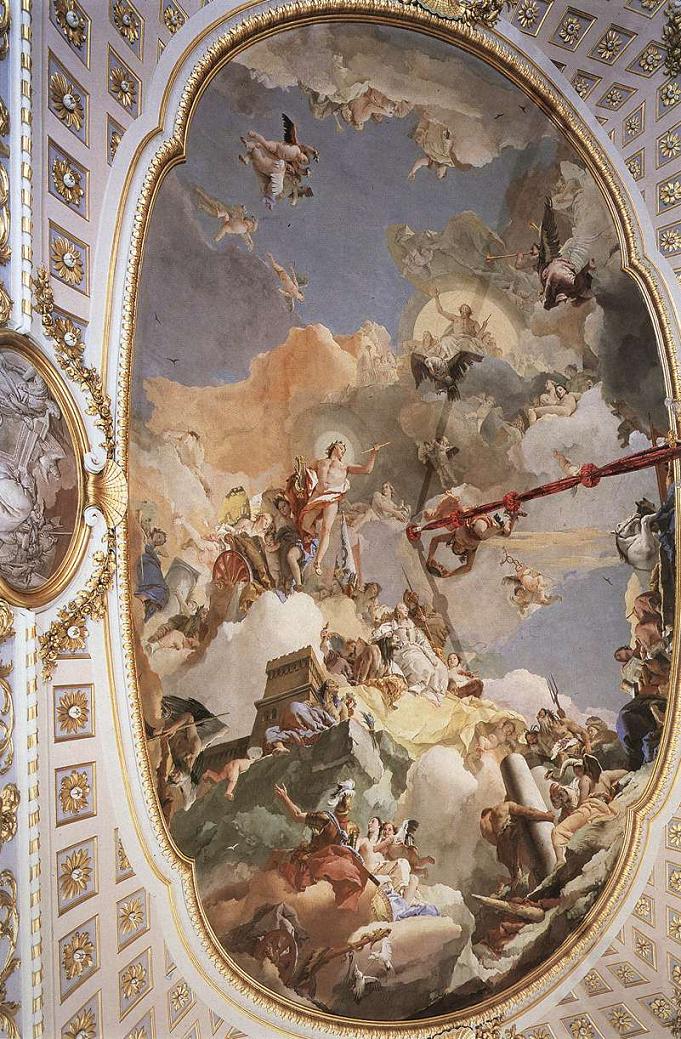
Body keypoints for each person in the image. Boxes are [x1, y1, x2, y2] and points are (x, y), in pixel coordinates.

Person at [274, 781, 375, 911]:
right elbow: (351, 855)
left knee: (276, 855)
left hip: (312, 863)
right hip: (333, 870)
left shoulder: (325, 818)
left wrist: (285, 797)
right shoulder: (352, 827)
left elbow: (297, 815)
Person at [294, 440, 384, 575]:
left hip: (332, 497)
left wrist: (373, 453)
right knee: (305, 524)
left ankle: (318, 561)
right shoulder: (320, 462)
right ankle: (315, 538)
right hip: (318, 495)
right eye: (341, 448)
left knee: (326, 529)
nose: (343, 451)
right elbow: (305, 475)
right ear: (334, 446)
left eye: (344, 450)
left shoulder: (345, 467)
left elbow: (367, 470)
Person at [426, 503, 520, 579]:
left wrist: (430, 558)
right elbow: (468, 567)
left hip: (476, 522)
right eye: (459, 551)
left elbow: (436, 540)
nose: (458, 548)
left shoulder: (454, 536)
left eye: (455, 548)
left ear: (453, 543)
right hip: (489, 526)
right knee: (506, 533)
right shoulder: (471, 549)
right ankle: (511, 516)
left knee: (481, 534)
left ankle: (499, 524)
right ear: (464, 552)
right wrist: (451, 574)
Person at [480, 800, 555, 891]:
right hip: (511, 834)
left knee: (517, 878)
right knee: (535, 868)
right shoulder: (500, 808)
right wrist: (547, 816)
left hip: (502, 850)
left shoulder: (483, 825)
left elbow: (494, 841)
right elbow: (529, 812)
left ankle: (519, 889)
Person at [390, 602, 448, 705]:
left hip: (417, 650)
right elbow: (385, 641)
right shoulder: (392, 626)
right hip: (401, 652)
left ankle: (435, 693)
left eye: (406, 608)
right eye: (402, 608)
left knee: (440, 667)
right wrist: (395, 643)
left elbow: (422, 641)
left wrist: (430, 654)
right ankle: (418, 689)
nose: (406, 610)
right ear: (398, 612)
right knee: (422, 664)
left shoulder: (413, 626)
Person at [136, 528, 170, 622]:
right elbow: (145, 549)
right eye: (159, 537)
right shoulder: (145, 537)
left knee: (164, 593)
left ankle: (148, 608)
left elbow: (163, 555)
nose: (159, 541)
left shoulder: (152, 548)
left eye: (161, 542)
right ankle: (145, 596)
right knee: (163, 590)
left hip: (150, 568)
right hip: (147, 566)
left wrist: (156, 555)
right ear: (154, 532)